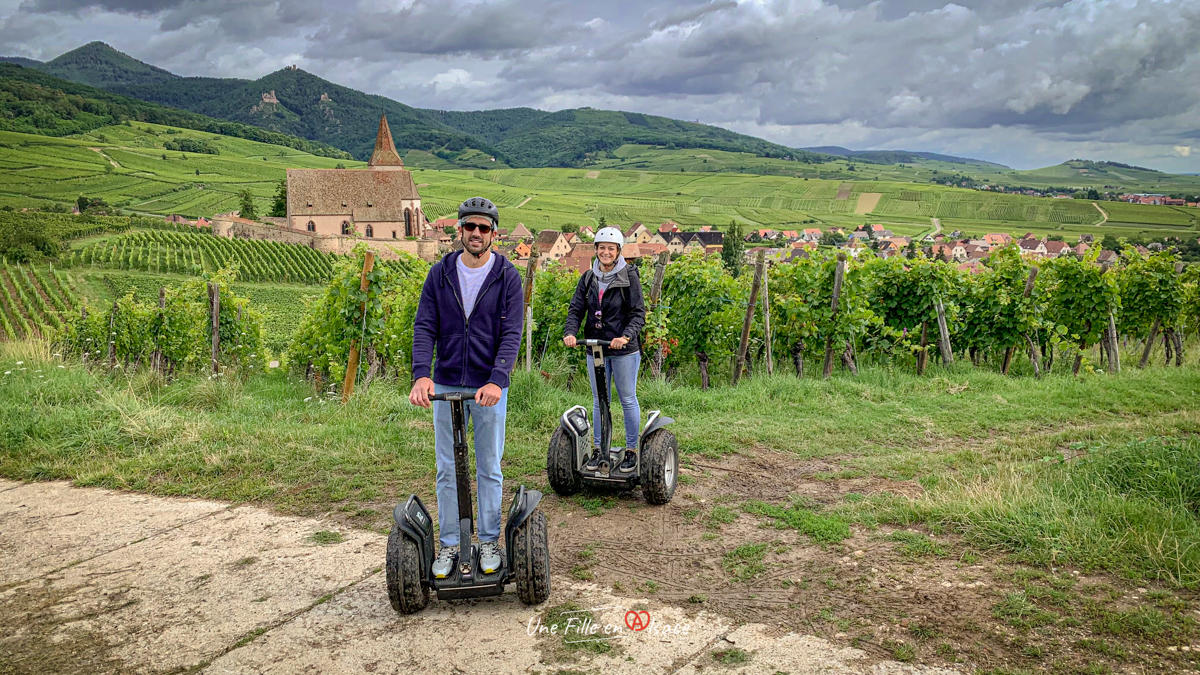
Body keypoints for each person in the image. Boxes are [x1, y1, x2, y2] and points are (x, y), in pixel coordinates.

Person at [410, 196, 523, 579]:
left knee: (489, 467)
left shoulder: (507, 275)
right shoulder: (439, 273)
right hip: (444, 382)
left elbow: (512, 332)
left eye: (484, 228)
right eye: (470, 227)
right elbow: (425, 325)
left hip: (488, 387)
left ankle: (489, 540)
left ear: (494, 233)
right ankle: (451, 544)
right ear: (459, 230)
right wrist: (421, 374)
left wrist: (498, 378)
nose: (476, 234)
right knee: (446, 468)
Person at [562, 227, 647, 474]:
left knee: (627, 398)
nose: (606, 252)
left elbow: (638, 313)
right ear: (596, 250)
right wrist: (570, 332)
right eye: (602, 247)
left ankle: (631, 450)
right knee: (600, 400)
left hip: (623, 350)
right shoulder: (588, 277)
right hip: (594, 347)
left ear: (618, 251)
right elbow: (576, 309)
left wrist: (626, 336)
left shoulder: (629, 276)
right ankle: (599, 449)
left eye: (611, 248)